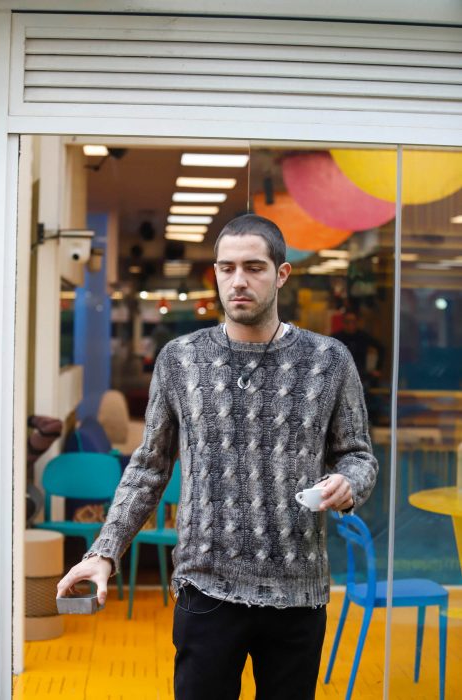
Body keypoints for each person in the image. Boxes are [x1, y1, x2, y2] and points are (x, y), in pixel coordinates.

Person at [58, 214, 378, 700]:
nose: (238, 280)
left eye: (253, 267)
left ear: (282, 274)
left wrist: (349, 484)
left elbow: (358, 455)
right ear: (215, 273)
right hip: (205, 590)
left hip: (298, 593)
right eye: (227, 268)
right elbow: (148, 468)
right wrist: (105, 551)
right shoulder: (180, 359)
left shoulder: (328, 360)